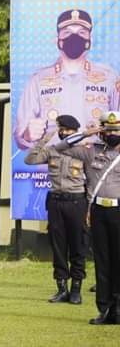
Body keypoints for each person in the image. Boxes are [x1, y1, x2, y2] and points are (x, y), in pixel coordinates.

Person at [14, 9, 120, 150]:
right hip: (56, 165)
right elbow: (20, 136)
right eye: (67, 33)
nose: (74, 37)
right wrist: (28, 134)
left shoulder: (109, 78)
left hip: (97, 166)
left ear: (90, 40)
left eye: (81, 32)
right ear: (57, 39)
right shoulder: (38, 80)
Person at [54, 111, 120, 324]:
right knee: (102, 261)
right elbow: (61, 147)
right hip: (98, 212)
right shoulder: (92, 152)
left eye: (116, 130)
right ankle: (105, 309)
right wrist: (87, 132)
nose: (111, 134)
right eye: (108, 130)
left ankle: (119, 308)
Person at [24, 114, 87, 304]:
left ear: (76, 132)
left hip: (76, 201)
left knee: (78, 246)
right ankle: (61, 288)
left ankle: (76, 289)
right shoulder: (52, 151)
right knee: (58, 245)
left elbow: (92, 181)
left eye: (68, 130)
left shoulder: (84, 152)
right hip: (55, 201)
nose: (64, 133)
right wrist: (43, 140)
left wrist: (90, 206)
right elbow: (30, 160)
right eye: (61, 129)